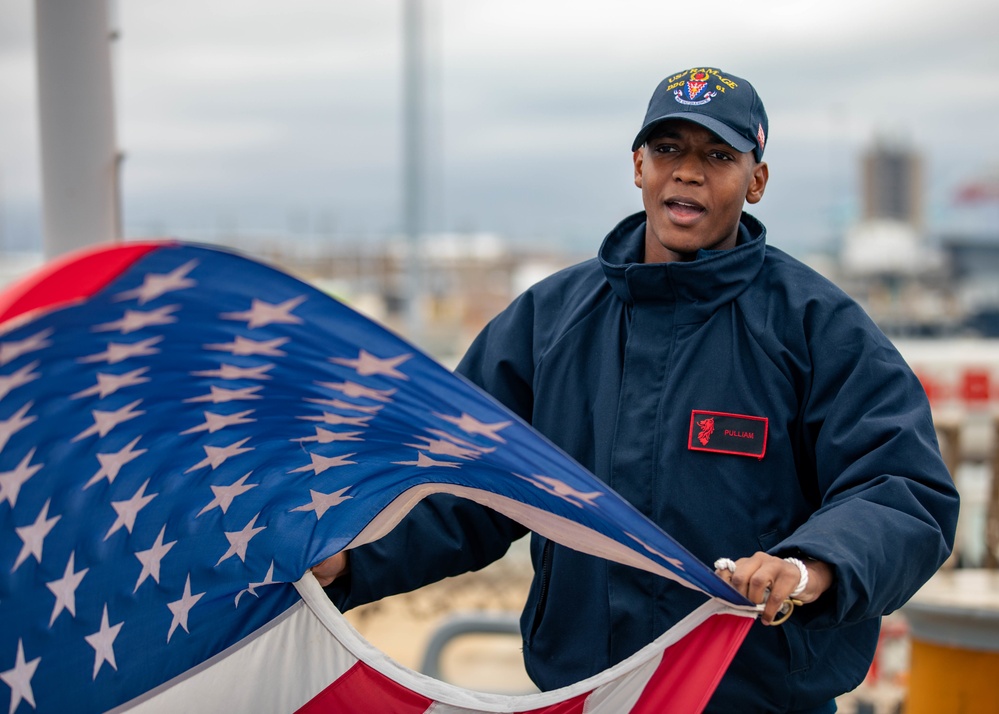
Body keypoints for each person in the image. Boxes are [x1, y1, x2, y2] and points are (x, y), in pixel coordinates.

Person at [313, 66, 960, 713]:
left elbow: (900, 489)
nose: (687, 171)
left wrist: (807, 566)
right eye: (667, 149)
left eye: (717, 155)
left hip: (757, 697)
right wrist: (347, 558)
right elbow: (459, 482)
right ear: (637, 165)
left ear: (755, 180)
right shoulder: (545, 324)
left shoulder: (817, 326)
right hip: (584, 695)